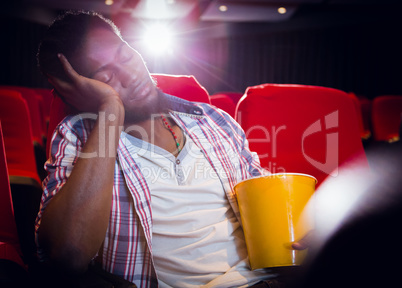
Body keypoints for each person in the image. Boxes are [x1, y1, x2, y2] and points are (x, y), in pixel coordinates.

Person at [35, 10, 304, 288]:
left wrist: (305, 230)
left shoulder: (214, 119)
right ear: (79, 91)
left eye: (126, 56)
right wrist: (110, 109)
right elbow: (69, 255)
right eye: (105, 77)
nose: (130, 75)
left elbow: (269, 205)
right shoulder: (78, 136)